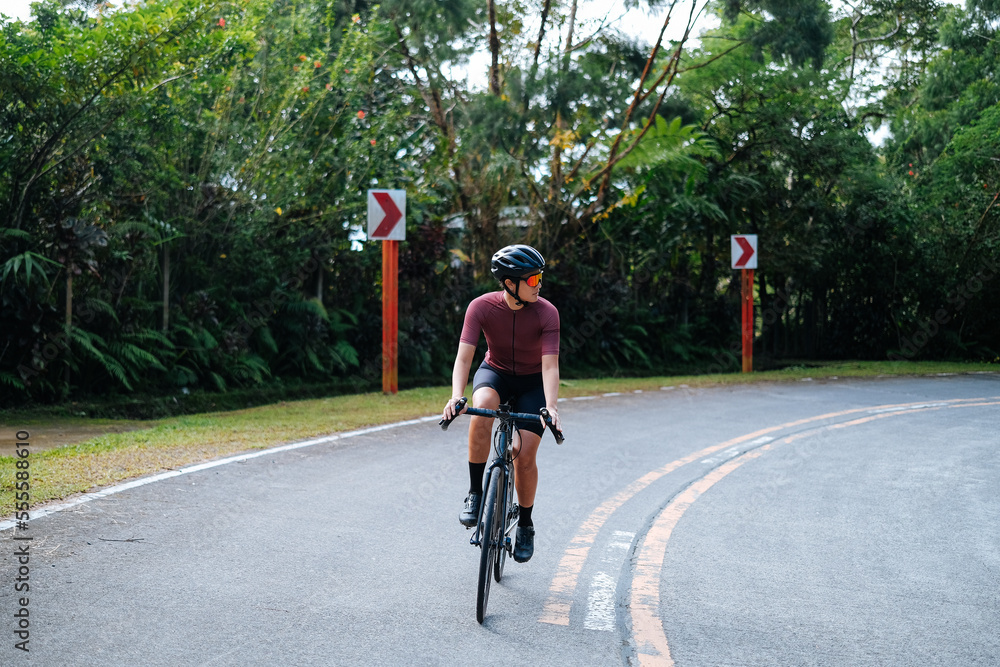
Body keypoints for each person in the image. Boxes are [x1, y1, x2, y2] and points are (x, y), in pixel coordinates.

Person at [442, 244, 562, 564]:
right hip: (494, 373)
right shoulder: (480, 307)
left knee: (524, 455)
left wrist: (551, 406)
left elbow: (550, 366)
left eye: (539, 278)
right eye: (533, 279)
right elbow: (464, 356)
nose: (539, 284)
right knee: (480, 408)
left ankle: (525, 524)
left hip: (532, 383)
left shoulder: (547, 313)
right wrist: (456, 396)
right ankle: (475, 492)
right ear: (510, 283)